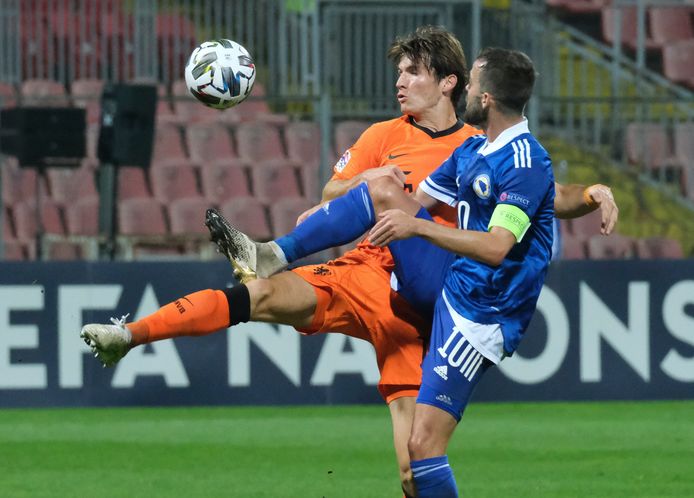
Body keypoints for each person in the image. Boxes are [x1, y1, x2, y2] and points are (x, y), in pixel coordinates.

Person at [81, 27, 617, 497]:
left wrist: (591, 193)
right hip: (366, 273)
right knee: (260, 294)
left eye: (412, 72)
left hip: (424, 304)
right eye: (399, 72)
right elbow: (335, 191)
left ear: (450, 83)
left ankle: (271, 253)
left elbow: (541, 197)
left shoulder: (484, 145)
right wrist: (371, 180)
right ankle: (130, 336)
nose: (400, 82)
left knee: (414, 468)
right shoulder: (385, 136)